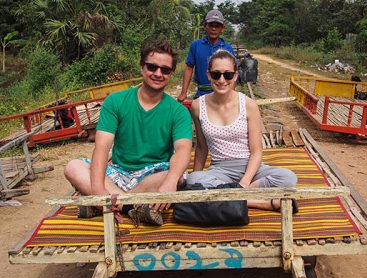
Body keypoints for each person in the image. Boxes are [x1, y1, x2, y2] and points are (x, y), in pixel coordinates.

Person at [64, 39, 193, 225]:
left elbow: (182, 150)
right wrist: (98, 188)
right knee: (73, 167)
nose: (158, 73)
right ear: (142, 67)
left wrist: (170, 182)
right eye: (152, 67)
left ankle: (103, 204)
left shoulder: (178, 111)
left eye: (165, 70)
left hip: (153, 174)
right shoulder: (115, 101)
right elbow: (102, 146)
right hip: (118, 171)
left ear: (171, 74)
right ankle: (131, 207)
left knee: (177, 177)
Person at [186, 50, 298, 212]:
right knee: (192, 180)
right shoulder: (198, 106)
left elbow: (256, 151)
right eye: (216, 75)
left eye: (228, 75)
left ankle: (233, 197)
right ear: (208, 75)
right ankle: (261, 203)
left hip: (251, 168)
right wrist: (195, 184)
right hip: (220, 170)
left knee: (288, 178)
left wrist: (244, 183)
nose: (222, 80)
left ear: (236, 75)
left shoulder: (248, 104)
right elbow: (202, 147)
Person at [177, 9, 235, 101]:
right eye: (211, 25)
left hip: (222, 92)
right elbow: (189, 68)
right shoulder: (196, 45)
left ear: (222, 29)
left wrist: (232, 95)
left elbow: (232, 74)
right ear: (205, 26)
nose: (214, 29)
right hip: (202, 93)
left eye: (217, 26)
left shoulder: (228, 48)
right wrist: (183, 93)